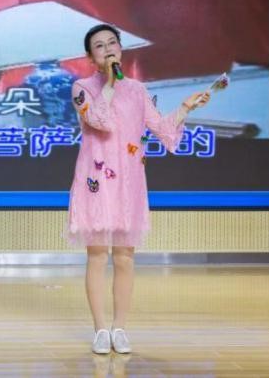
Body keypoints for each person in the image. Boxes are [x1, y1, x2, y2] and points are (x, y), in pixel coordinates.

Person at [67, 24, 211, 354]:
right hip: (96, 181)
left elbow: (163, 131)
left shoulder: (137, 90)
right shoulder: (81, 88)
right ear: (90, 57)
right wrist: (110, 84)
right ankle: (100, 330)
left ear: (121, 48)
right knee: (97, 255)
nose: (108, 49)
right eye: (99, 46)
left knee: (125, 257)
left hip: (129, 181)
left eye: (112, 43)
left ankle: (120, 328)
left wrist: (186, 108)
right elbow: (99, 121)